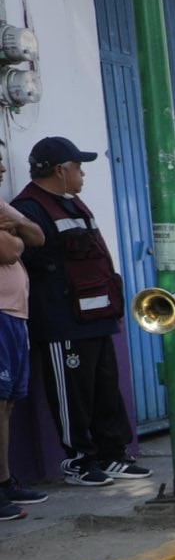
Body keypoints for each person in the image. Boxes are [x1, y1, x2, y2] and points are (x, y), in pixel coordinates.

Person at [15, 137, 146, 486]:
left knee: (105, 389)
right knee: (72, 395)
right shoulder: (29, 209)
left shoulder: (74, 204)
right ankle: (80, 461)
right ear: (60, 170)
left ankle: (113, 455)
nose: (83, 174)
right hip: (62, 321)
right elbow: (35, 263)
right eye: (78, 167)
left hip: (97, 316)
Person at [0, 179, 46, 519]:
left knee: (8, 404)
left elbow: (37, 236)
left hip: (15, 316)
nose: (2, 168)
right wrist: (15, 235)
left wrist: (14, 225)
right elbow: (12, 250)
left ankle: (4, 481)